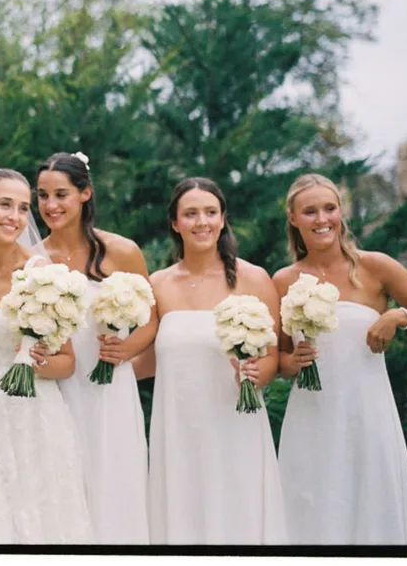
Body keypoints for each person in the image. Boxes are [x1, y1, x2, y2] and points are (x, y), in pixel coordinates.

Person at [275, 173, 407, 545]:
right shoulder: (282, 280)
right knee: (310, 511)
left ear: (341, 213)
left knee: (372, 510)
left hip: (367, 415)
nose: (322, 219)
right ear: (293, 219)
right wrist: (295, 362)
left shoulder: (376, 267)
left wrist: (396, 316)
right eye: (310, 211)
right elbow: (280, 359)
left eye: (330, 208)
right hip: (310, 419)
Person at [140, 177, 287, 544]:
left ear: (223, 219)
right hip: (177, 428)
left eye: (210, 212)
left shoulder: (254, 278)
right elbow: (147, 359)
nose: (201, 222)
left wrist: (256, 375)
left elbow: (273, 357)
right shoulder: (157, 284)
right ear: (175, 222)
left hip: (234, 421)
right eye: (190, 214)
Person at [0, 167, 92, 544]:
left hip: (33, 415)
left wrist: (35, 361)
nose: (15, 217)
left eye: (23, 208)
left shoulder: (42, 274)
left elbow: (68, 363)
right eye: (5, 205)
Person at [33, 151, 152, 544]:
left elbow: (153, 318)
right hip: (55, 387)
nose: (50, 206)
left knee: (113, 478)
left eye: (61, 194)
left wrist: (126, 349)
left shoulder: (122, 251)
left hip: (109, 387)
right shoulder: (31, 260)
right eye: (43, 196)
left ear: (85, 194)